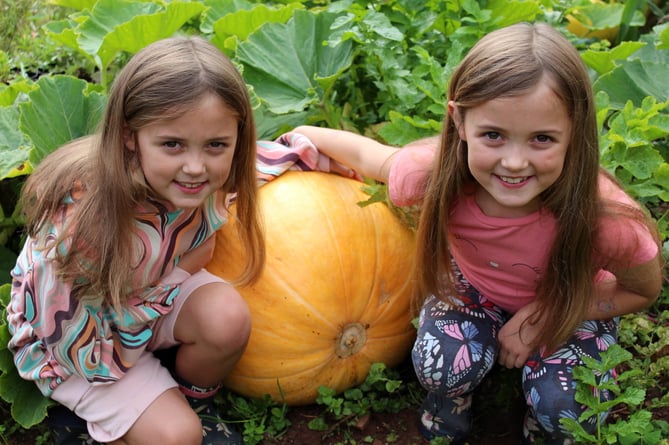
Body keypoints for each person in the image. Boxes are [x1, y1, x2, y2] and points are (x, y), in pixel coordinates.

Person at [289, 22, 663, 444]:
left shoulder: (608, 221)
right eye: (493, 135)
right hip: (474, 287)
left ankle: (540, 425)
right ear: (459, 121)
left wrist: (547, 315)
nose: (515, 162)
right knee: (440, 364)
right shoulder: (431, 176)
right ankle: (452, 403)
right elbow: (363, 154)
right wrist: (292, 143)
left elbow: (642, 292)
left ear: (575, 131)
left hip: (571, 298)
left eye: (542, 138)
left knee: (567, 409)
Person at [7, 36, 265, 445]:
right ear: (130, 137)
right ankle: (124, 421)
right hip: (82, 344)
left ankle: (186, 396)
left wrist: (380, 161)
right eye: (172, 144)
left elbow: (276, 155)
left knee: (227, 319)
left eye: (216, 144)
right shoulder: (85, 231)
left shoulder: (206, 169)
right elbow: (76, 347)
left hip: (145, 299)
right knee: (178, 436)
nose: (196, 167)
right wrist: (181, 272)